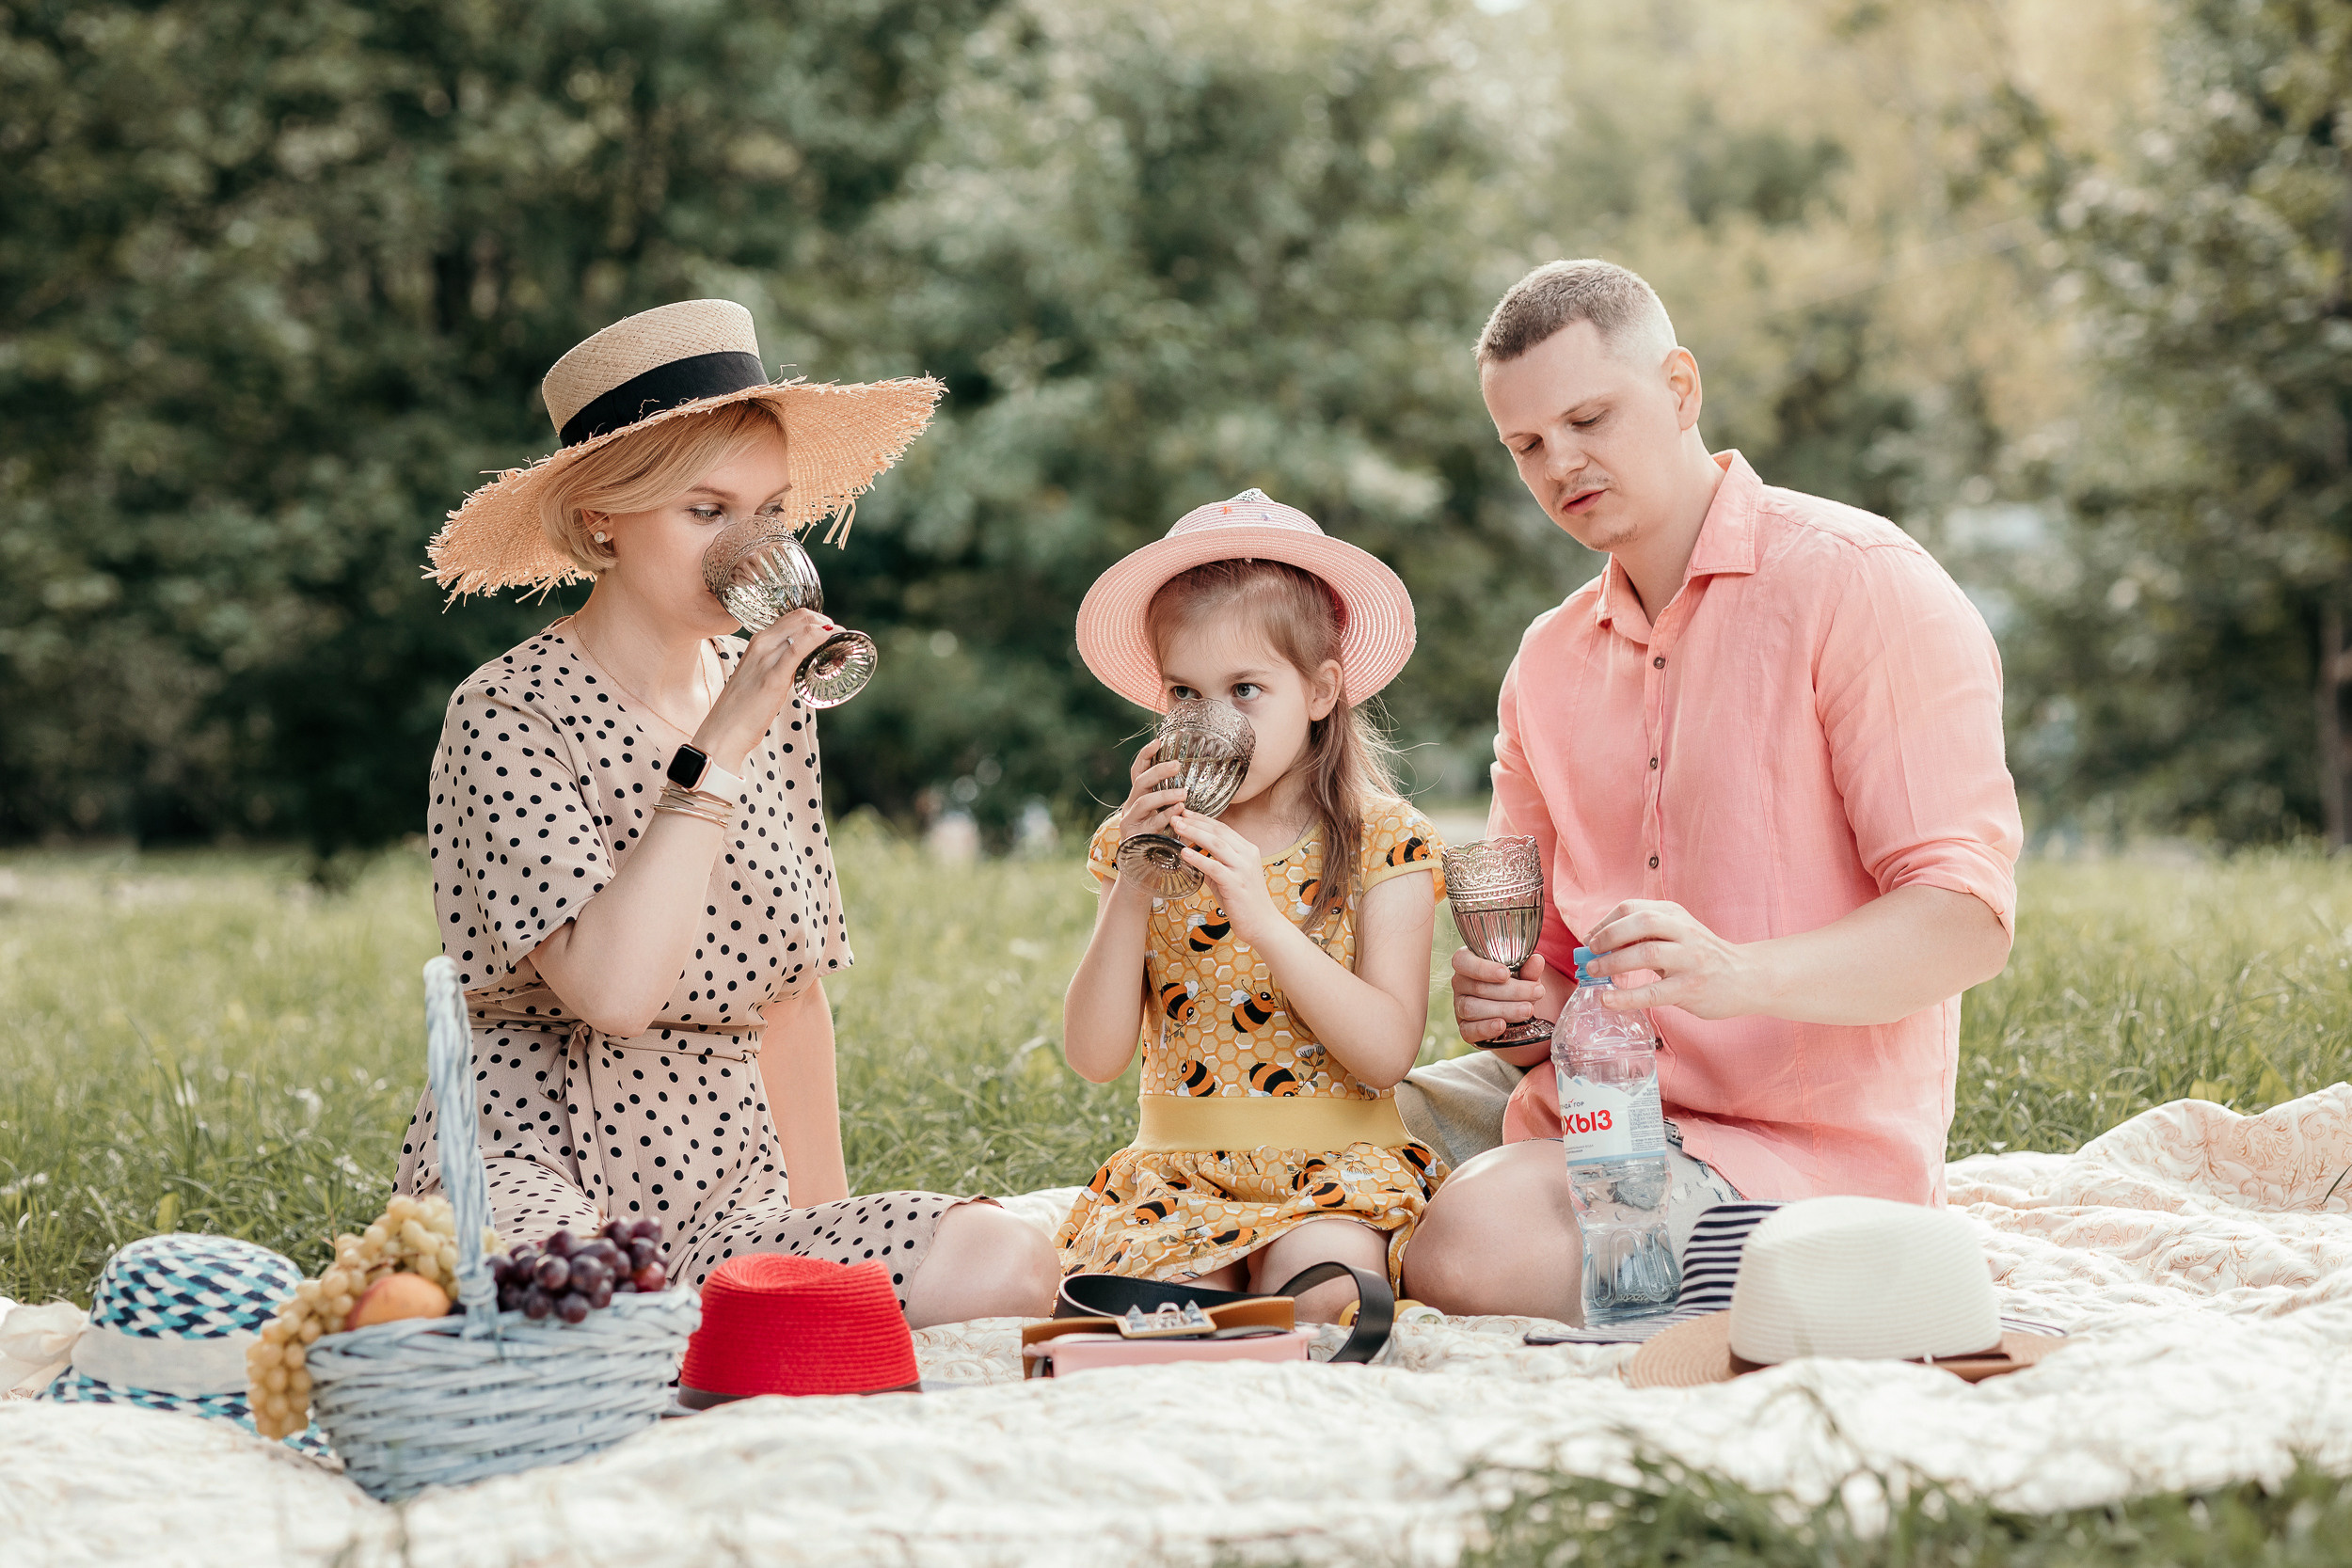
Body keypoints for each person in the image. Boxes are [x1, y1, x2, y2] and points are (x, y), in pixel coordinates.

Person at [395, 299, 1058, 1326]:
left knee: (1005, 1260)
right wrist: (713, 757)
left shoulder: (773, 699)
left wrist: (828, 1241)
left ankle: (708, 1318)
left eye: (770, 517)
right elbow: (612, 989)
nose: (745, 550)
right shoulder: (507, 714)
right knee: (582, 1300)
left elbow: (791, 997)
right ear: (598, 519)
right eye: (706, 512)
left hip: (722, 1188)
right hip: (532, 1162)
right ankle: (642, 1322)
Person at [1399, 261, 2024, 1321]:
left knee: (1471, 1241)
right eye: (1526, 446)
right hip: (1588, 1109)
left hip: (1795, 1151)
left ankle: (1855, 1267)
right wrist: (1507, 1008)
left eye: (1589, 417)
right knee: (1308, 1132)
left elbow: (1964, 923)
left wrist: (1734, 972)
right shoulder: (1545, 663)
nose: (1562, 464)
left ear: (1680, 388)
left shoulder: (1860, 580)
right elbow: (1549, 987)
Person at [1056, 490, 1450, 1321]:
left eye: (1245, 690)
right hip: (1181, 1172)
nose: (1212, 722)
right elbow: (1093, 1054)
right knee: (1162, 1316)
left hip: (1334, 1168)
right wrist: (1133, 881)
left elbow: (1386, 1050)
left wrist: (1263, 916)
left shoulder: (1386, 837)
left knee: (1327, 1300)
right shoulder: (1138, 843)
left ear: (1319, 691)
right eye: (1185, 695)